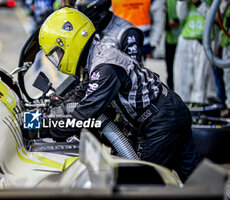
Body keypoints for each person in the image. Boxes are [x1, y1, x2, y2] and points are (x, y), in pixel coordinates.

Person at [37, 7, 200, 181]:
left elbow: (84, 114)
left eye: (58, 53)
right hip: (167, 112)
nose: (58, 59)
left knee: (138, 184)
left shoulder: (105, 68)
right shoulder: (96, 56)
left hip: (162, 121)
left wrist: (43, 130)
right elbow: (81, 93)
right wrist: (56, 108)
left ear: (68, 43)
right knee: (197, 181)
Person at [173, 0, 217, 103]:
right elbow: (181, 16)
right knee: (181, 81)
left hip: (205, 41)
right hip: (186, 38)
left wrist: (198, 2)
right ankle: (182, 110)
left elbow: (214, 18)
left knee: (200, 82)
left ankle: (197, 112)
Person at [165, 0, 184, 90]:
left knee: (183, 72)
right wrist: (168, 25)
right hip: (171, 41)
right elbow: (160, 18)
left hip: (185, 41)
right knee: (171, 71)